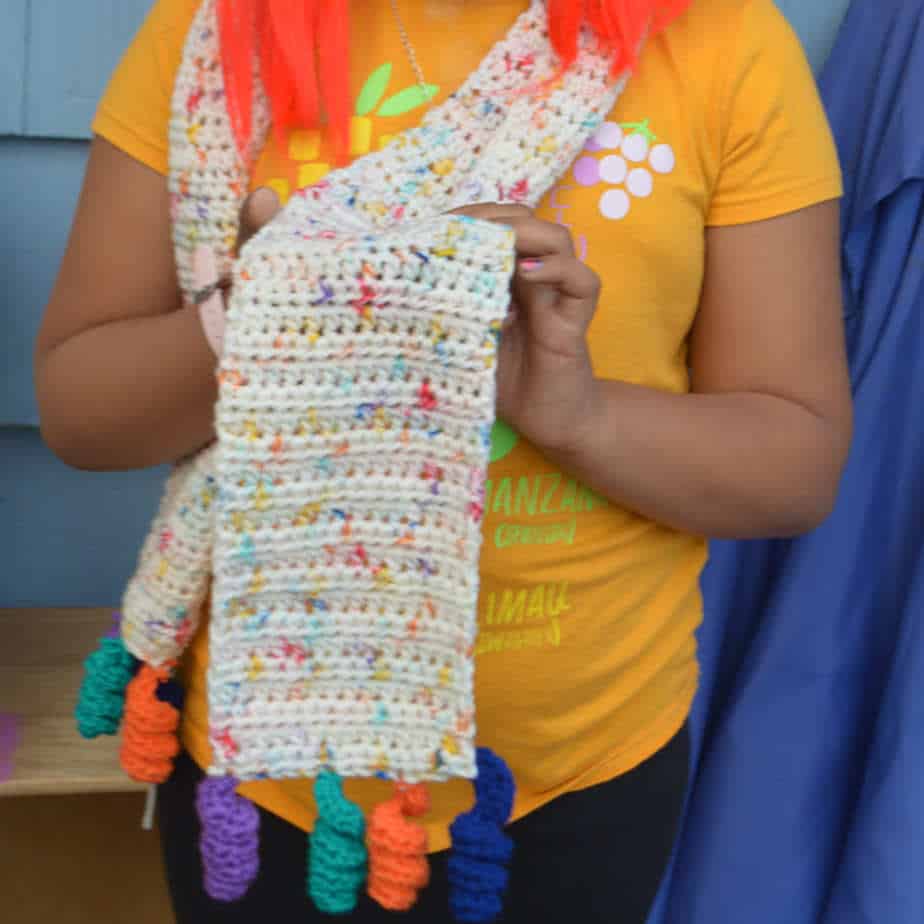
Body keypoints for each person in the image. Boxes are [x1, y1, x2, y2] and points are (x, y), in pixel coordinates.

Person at [34, 0, 852, 921]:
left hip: (581, 773)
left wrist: (569, 410)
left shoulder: (724, 45)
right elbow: (82, 414)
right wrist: (271, 309)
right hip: (267, 758)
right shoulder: (216, 34)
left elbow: (794, 462)